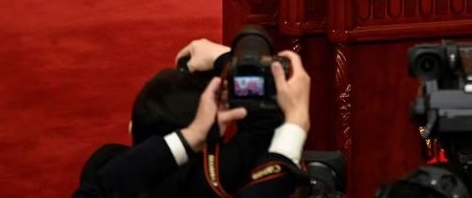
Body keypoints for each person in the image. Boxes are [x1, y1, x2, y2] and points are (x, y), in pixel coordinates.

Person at [74, 40, 311, 198]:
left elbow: (108, 184)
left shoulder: (103, 165)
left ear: (131, 128)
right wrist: (297, 119)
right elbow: (264, 130)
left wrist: (192, 136)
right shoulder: (218, 176)